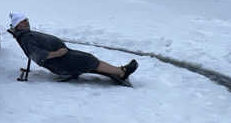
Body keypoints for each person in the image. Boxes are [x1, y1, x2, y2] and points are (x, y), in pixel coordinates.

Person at [8, 12, 138, 83]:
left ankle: (115, 71)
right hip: (59, 62)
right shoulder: (25, 38)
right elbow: (37, 55)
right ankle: (121, 72)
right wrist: (58, 53)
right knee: (88, 61)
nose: (27, 22)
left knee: (88, 58)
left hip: (63, 57)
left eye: (26, 20)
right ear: (17, 25)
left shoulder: (25, 34)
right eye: (23, 21)